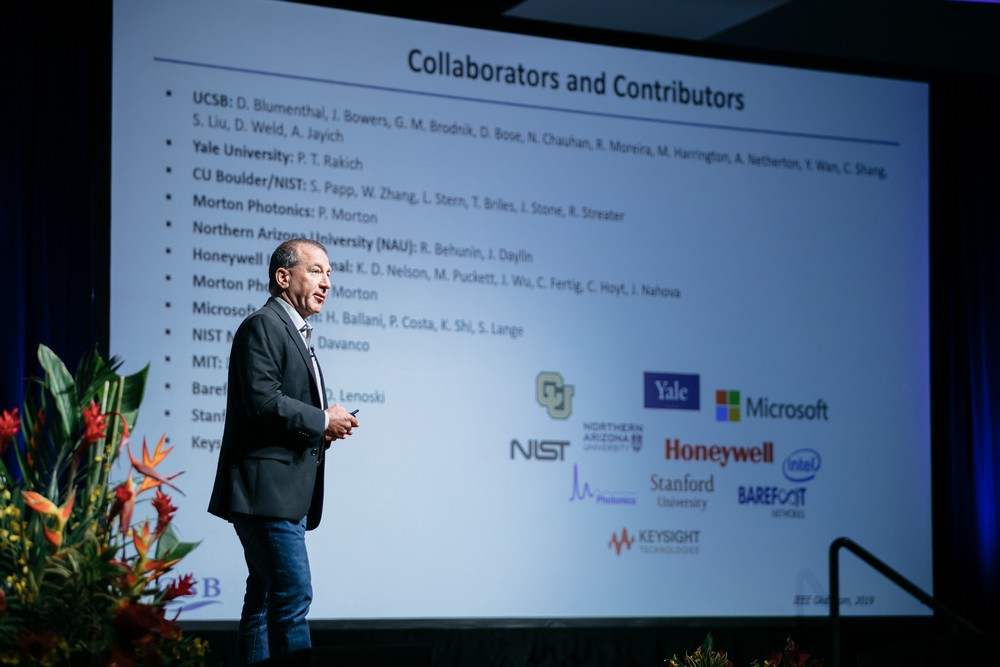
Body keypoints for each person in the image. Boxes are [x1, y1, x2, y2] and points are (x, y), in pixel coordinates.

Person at [208, 237, 359, 665]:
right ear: (283, 277)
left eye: (329, 273)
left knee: (263, 601)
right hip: (265, 495)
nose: (327, 282)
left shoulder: (294, 331)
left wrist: (321, 431)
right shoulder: (264, 325)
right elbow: (262, 401)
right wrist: (321, 420)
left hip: (278, 493)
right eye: (316, 271)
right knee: (293, 596)